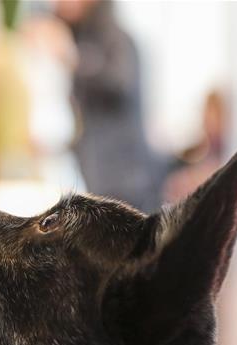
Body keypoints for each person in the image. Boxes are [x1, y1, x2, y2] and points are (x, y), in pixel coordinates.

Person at [55, 0, 165, 213]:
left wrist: (73, 60)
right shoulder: (85, 37)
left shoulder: (116, 38)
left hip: (126, 181)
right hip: (100, 178)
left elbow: (118, 83)